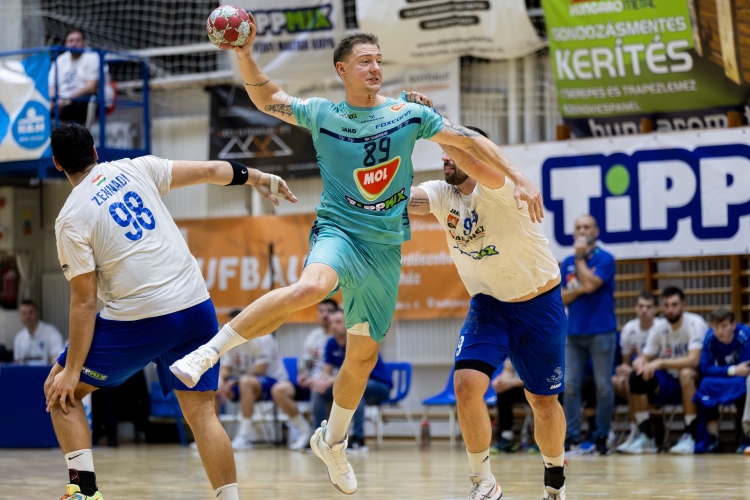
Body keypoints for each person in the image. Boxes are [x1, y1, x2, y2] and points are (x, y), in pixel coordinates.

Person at [169, 30, 543, 495]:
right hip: (338, 231)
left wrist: (520, 178)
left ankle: (333, 441)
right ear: (342, 69)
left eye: (379, 60)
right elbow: (268, 99)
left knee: (362, 357)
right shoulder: (323, 114)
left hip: (384, 248)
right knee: (311, 288)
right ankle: (208, 352)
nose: (375, 68)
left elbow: (469, 140)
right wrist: (244, 54)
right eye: (365, 61)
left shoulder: (407, 114)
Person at [43, 123, 295, 500]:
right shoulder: (135, 167)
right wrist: (258, 177)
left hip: (140, 319)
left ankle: (84, 492)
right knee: (202, 414)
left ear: (58, 164)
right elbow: (212, 170)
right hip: (195, 306)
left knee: (60, 390)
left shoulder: (70, 218)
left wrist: (72, 371)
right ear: (95, 152)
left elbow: (84, 302)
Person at [409, 125, 567, 500]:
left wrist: (431, 122)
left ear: (476, 153)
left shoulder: (500, 186)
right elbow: (405, 200)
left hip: (539, 306)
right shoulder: (441, 194)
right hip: (489, 306)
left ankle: (555, 478)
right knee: (466, 385)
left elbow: (472, 157)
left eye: (453, 149)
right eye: (443, 152)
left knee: (543, 404)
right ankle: (484, 481)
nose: (445, 157)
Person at [623, 287, 707, 455]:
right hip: (669, 380)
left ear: (683, 305)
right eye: (666, 305)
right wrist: (640, 363)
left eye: (674, 305)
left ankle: (690, 435)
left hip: (697, 381)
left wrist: (660, 362)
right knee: (636, 377)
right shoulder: (660, 327)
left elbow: (694, 360)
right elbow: (645, 356)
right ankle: (646, 437)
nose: (670, 309)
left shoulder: (695, 323)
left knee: (686, 372)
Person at [560, 215, 617, 455]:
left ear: (596, 231)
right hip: (574, 333)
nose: (582, 231)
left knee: (603, 387)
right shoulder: (567, 262)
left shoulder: (605, 258)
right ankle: (572, 436)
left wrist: (581, 259)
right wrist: (583, 286)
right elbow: (561, 297)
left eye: (587, 227)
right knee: (570, 386)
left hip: (601, 331)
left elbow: (592, 284)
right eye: (578, 227)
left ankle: (601, 435)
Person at [309, 308, 393, 452]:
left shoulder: (358, 341)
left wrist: (331, 380)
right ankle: (319, 438)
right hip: (353, 383)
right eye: (331, 323)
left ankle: (358, 439)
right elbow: (326, 370)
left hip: (379, 384)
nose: (334, 326)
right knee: (318, 391)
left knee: (354, 389)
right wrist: (320, 381)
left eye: (338, 322)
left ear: (347, 324)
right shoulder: (331, 343)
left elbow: (356, 374)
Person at [271, 299, 338, 450]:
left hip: (330, 383)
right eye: (322, 311)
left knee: (321, 390)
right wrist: (304, 376)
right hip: (311, 381)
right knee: (279, 390)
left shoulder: (340, 338)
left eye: (329, 311)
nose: (325, 315)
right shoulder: (312, 337)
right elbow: (305, 365)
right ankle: (305, 430)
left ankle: (324, 438)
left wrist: (323, 380)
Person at [217, 311, 288, 451]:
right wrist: (220, 380)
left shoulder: (263, 337)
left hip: (272, 380)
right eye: (230, 325)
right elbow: (226, 368)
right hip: (244, 382)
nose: (233, 328)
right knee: (213, 387)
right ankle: (213, 437)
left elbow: (260, 370)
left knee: (245, 382)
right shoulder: (230, 341)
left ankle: (246, 435)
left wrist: (234, 381)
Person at [613, 291, 665, 452]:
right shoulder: (629, 328)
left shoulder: (662, 327)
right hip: (636, 374)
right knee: (616, 381)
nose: (644, 310)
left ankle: (640, 433)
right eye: (641, 306)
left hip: (659, 375)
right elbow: (626, 363)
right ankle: (635, 433)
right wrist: (625, 372)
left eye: (648, 307)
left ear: (656, 309)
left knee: (634, 380)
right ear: (635, 308)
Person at [694, 309, 750, 453]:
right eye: (716, 327)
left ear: (733, 325)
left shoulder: (745, 335)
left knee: (744, 386)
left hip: (740, 379)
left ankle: (746, 437)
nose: (719, 331)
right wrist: (732, 370)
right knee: (704, 385)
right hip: (727, 375)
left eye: (724, 326)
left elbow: (745, 368)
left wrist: (725, 371)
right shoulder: (709, 337)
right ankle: (713, 438)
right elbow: (704, 368)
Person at [48, 29, 113, 125]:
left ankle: (81, 133)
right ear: (66, 44)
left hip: (89, 101)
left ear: (84, 42)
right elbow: (52, 86)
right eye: (71, 41)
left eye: (77, 40)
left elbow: (91, 87)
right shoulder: (60, 60)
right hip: (64, 102)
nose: (74, 44)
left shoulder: (93, 57)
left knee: (83, 102)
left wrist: (66, 100)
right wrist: (55, 100)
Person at [489, 361, 530, 454]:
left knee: (545, 395)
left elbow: (538, 379)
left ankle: (544, 439)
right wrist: (500, 382)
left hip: (540, 388)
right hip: (522, 388)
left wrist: (512, 382)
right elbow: (507, 373)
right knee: (503, 392)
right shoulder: (512, 354)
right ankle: (507, 437)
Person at [13, 299, 64, 365]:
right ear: (19, 316)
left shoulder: (51, 333)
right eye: (24, 314)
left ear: (37, 313)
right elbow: (17, 363)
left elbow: (57, 359)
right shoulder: (19, 338)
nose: (27, 317)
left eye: (31, 313)